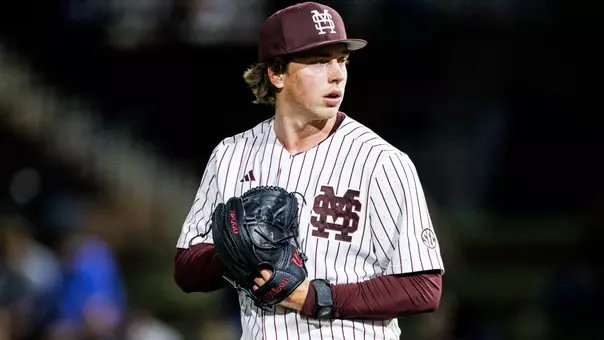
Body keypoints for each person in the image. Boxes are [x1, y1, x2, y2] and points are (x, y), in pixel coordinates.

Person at [174, 2, 444, 339]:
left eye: (341, 60)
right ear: (276, 73)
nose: (336, 74)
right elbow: (185, 268)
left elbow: (423, 288)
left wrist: (317, 297)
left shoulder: (380, 161)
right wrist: (233, 252)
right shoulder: (231, 155)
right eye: (319, 62)